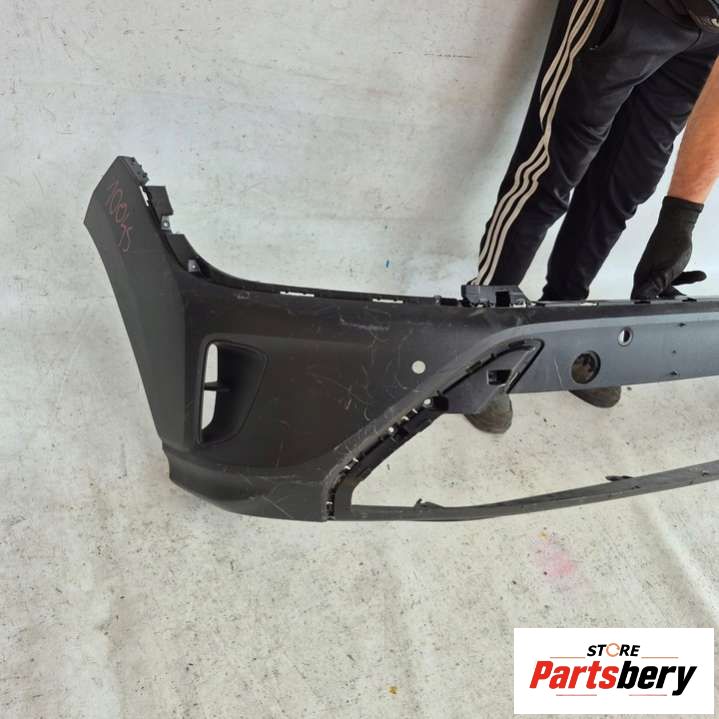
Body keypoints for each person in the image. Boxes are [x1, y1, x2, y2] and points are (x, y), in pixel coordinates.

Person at [468, 0, 719, 434]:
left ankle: (565, 318)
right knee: (551, 170)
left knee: (627, 181)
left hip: (707, 31)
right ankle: (484, 333)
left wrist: (681, 217)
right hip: (635, 9)